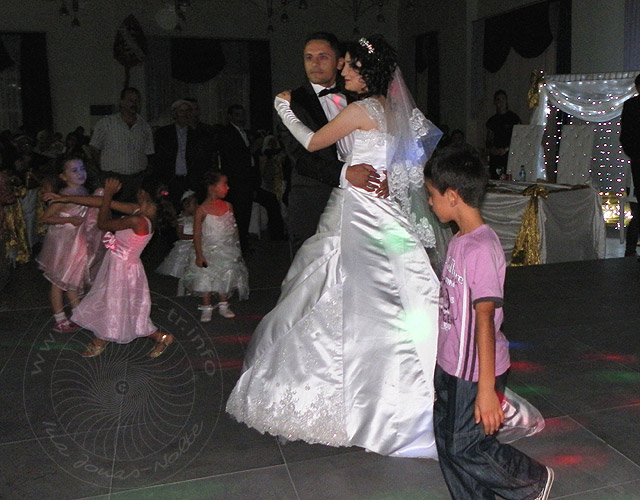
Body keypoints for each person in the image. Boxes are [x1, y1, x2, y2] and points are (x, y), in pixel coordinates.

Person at [226, 35, 444, 458]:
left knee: (342, 290)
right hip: (382, 209)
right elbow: (403, 165)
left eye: (348, 65)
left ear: (365, 71)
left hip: (356, 213)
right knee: (393, 292)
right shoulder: (394, 112)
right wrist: (370, 175)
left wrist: (283, 107)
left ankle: (350, 393)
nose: (342, 70)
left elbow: (310, 144)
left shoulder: (363, 109)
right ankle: (408, 386)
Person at [424, 147, 554, 500]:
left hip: (474, 370)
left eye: (431, 196)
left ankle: (530, 481)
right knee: (449, 444)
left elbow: (484, 319)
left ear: (452, 197)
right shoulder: (460, 240)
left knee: (467, 445)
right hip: (452, 364)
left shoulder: (482, 248)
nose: (430, 203)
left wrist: (485, 390)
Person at [278, 31, 385, 254]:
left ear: (339, 63)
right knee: (313, 272)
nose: (314, 64)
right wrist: (346, 173)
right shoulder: (292, 102)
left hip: (364, 201)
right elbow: (300, 158)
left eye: (323, 57)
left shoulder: (359, 95)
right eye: (309, 57)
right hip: (312, 200)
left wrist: (389, 177)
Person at [44, 178, 175, 358]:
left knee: (114, 303)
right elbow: (101, 203)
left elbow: (103, 224)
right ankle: (160, 337)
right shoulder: (140, 211)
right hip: (120, 265)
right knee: (120, 306)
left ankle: (101, 339)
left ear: (143, 194)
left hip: (124, 269)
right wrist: (66, 199)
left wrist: (107, 194)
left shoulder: (139, 220)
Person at [36, 155, 103, 333]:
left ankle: (79, 315)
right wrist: (68, 220)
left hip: (78, 243)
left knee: (73, 280)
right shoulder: (64, 195)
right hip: (64, 243)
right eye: (74, 170)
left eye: (82, 169)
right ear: (63, 177)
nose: (80, 173)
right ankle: (60, 319)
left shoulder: (83, 192)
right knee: (59, 281)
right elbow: (45, 217)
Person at [181, 170, 249, 322]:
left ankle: (224, 304)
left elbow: (234, 227)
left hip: (226, 249)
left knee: (225, 275)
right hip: (208, 249)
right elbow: (197, 234)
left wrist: (236, 246)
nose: (227, 187)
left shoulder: (228, 206)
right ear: (212, 187)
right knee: (206, 276)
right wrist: (199, 254)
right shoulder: (201, 210)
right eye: (224, 184)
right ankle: (206, 307)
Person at [89, 87, 154, 202]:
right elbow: (94, 148)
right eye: (130, 100)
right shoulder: (106, 123)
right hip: (113, 177)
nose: (134, 104)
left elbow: (148, 152)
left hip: (137, 179)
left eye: (137, 101)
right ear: (122, 102)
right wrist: (104, 170)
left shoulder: (145, 126)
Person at [156, 189, 198, 295]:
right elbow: (180, 235)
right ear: (187, 205)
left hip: (195, 245)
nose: (197, 206)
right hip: (185, 245)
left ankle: (191, 289)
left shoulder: (197, 217)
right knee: (183, 269)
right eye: (194, 204)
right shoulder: (182, 218)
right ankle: (181, 291)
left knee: (193, 269)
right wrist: (194, 237)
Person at [620, 74, 640, 258]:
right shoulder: (632, 106)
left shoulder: (631, 106)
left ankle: (630, 248)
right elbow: (626, 137)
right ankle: (630, 248)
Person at [486, 90, 521, 179]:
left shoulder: (513, 118)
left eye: (503, 99)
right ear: (495, 102)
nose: (501, 102)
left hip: (509, 155)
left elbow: (519, 137)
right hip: (496, 156)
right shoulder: (492, 120)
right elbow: (488, 139)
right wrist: (492, 149)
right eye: (498, 100)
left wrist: (506, 149)